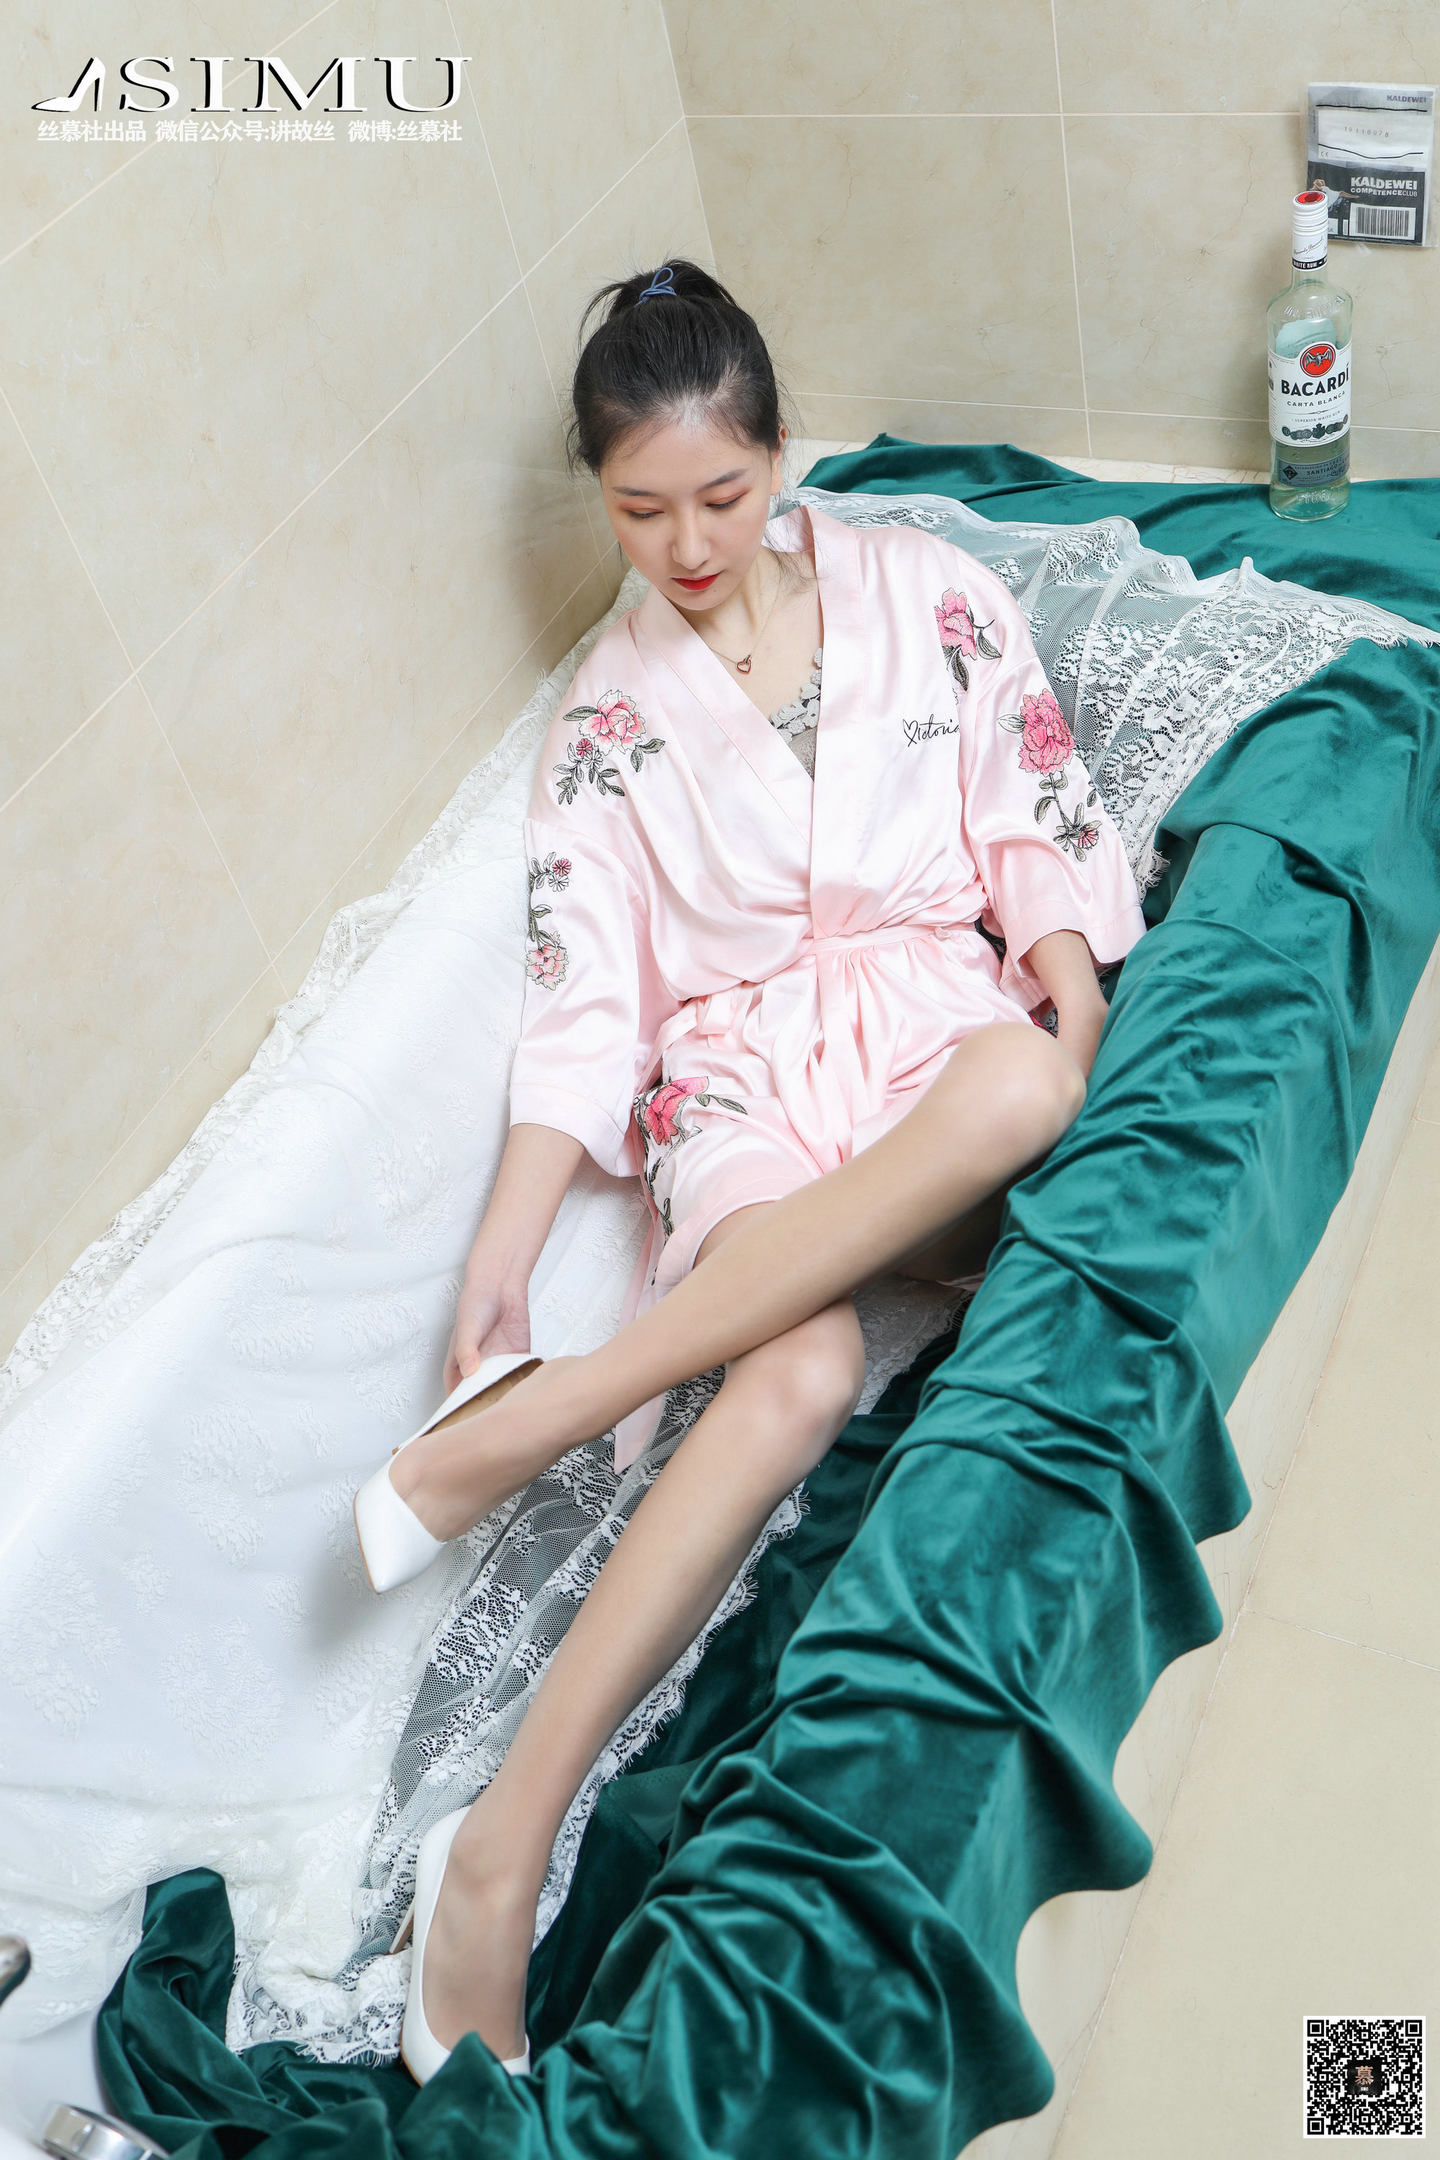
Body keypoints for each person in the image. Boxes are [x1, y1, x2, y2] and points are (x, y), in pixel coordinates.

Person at [355, 259, 1147, 2079]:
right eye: (641, 511)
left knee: (1021, 1087)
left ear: (783, 454)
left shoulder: (929, 591)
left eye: (721, 494)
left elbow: (1029, 811)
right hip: (737, 1077)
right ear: (600, 496)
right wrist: (505, 1246)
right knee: (790, 1369)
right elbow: (585, 999)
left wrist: (1075, 1002)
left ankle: (546, 1416)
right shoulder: (608, 722)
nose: (689, 545)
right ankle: (497, 1856)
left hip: (931, 1026)